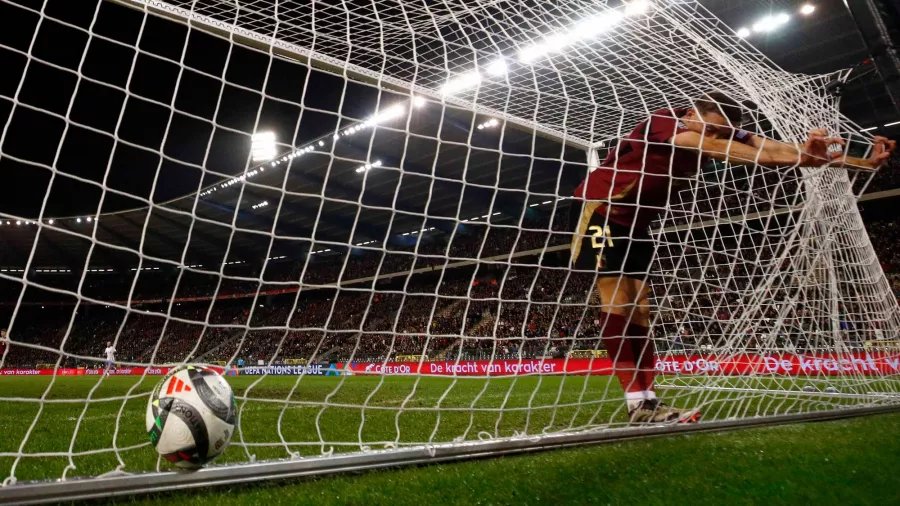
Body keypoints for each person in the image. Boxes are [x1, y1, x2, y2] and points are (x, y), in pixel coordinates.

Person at [571, 92, 895, 424]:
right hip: (601, 210)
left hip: (637, 222)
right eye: (710, 129)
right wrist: (802, 157)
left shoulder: (717, 130)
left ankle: (647, 401)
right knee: (619, 300)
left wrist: (859, 162)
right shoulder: (665, 122)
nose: (713, 136)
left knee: (641, 309)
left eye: (722, 132)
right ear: (694, 114)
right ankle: (636, 402)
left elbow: (769, 147)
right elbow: (725, 150)